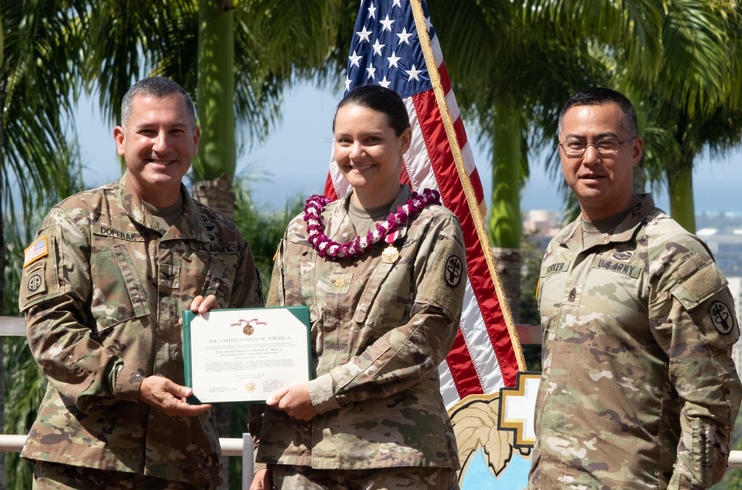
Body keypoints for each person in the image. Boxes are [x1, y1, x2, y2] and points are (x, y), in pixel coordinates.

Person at [19, 76, 264, 489]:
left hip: (186, 467)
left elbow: (260, 352)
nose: (162, 146)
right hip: (84, 464)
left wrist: (226, 334)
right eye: (147, 131)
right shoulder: (77, 221)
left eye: (175, 132)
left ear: (195, 138)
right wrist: (134, 385)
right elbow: (50, 334)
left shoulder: (225, 241)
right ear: (120, 138)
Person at [251, 84, 466, 490]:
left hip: (395, 455)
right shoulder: (303, 232)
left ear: (403, 141)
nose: (356, 153)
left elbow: (426, 334)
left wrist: (324, 391)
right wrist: (267, 452)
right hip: (301, 457)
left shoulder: (433, 228)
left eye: (371, 140)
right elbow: (274, 335)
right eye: (344, 141)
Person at [529, 87, 742, 490]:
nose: (589, 158)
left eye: (606, 143)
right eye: (576, 144)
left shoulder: (672, 253)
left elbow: (712, 398)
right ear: (561, 152)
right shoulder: (559, 249)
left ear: (635, 150)